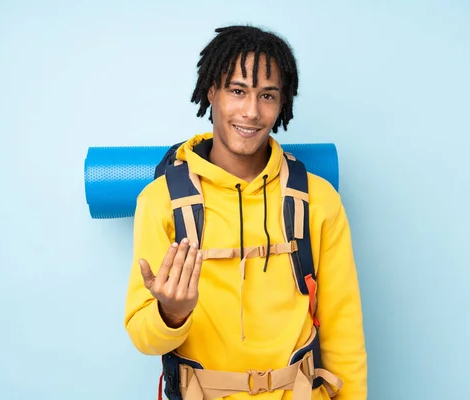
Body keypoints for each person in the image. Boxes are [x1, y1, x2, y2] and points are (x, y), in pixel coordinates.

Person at [124, 25, 367, 399]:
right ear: (212, 93)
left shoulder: (319, 200)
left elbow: (343, 334)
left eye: (267, 95)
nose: (251, 112)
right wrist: (171, 313)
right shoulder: (161, 201)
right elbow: (143, 335)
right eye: (237, 91)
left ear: (282, 103)